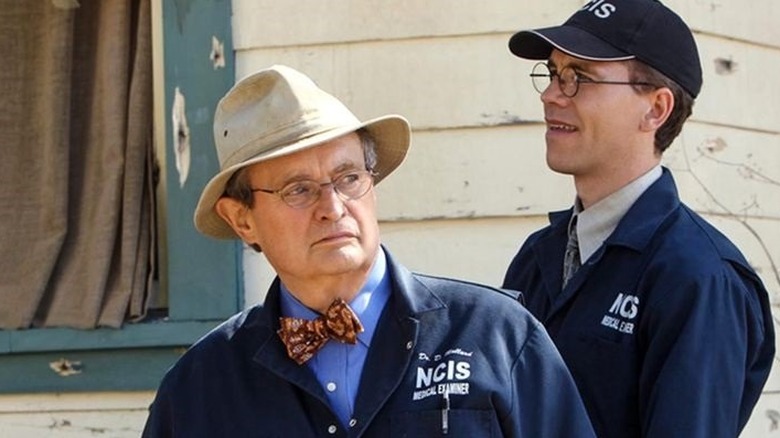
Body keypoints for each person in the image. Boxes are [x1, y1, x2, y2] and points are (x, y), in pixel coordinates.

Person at [142, 64, 595, 437]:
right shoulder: (200, 388)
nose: (333, 207)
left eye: (348, 178)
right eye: (299, 189)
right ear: (242, 219)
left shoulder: (497, 335)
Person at [502, 1, 775, 437]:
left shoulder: (698, 277)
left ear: (656, 109)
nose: (551, 94)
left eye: (579, 78)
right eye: (554, 74)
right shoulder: (537, 257)